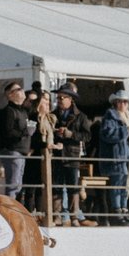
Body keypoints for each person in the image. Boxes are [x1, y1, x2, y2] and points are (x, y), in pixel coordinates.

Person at [51, 84, 95, 226]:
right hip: (57, 155)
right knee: (57, 186)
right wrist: (56, 133)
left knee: (73, 187)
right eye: (58, 97)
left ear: (71, 99)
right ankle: (57, 216)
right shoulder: (53, 115)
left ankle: (74, 216)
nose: (59, 100)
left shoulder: (81, 116)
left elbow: (88, 136)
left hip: (72, 155)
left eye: (62, 97)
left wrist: (71, 134)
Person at [99, 90, 129, 226]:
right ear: (115, 103)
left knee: (126, 185)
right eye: (120, 101)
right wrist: (126, 130)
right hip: (116, 158)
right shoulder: (110, 116)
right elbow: (107, 134)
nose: (123, 104)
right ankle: (116, 212)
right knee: (117, 186)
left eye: (125, 101)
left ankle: (124, 211)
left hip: (128, 159)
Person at [0, 82, 32, 201]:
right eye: (19, 89)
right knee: (13, 185)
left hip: (21, 151)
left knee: (18, 185)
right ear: (10, 95)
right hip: (12, 151)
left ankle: (13, 210)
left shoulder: (22, 111)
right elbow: (8, 132)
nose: (22, 91)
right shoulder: (9, 111)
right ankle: (9, 211)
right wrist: (25, 132)